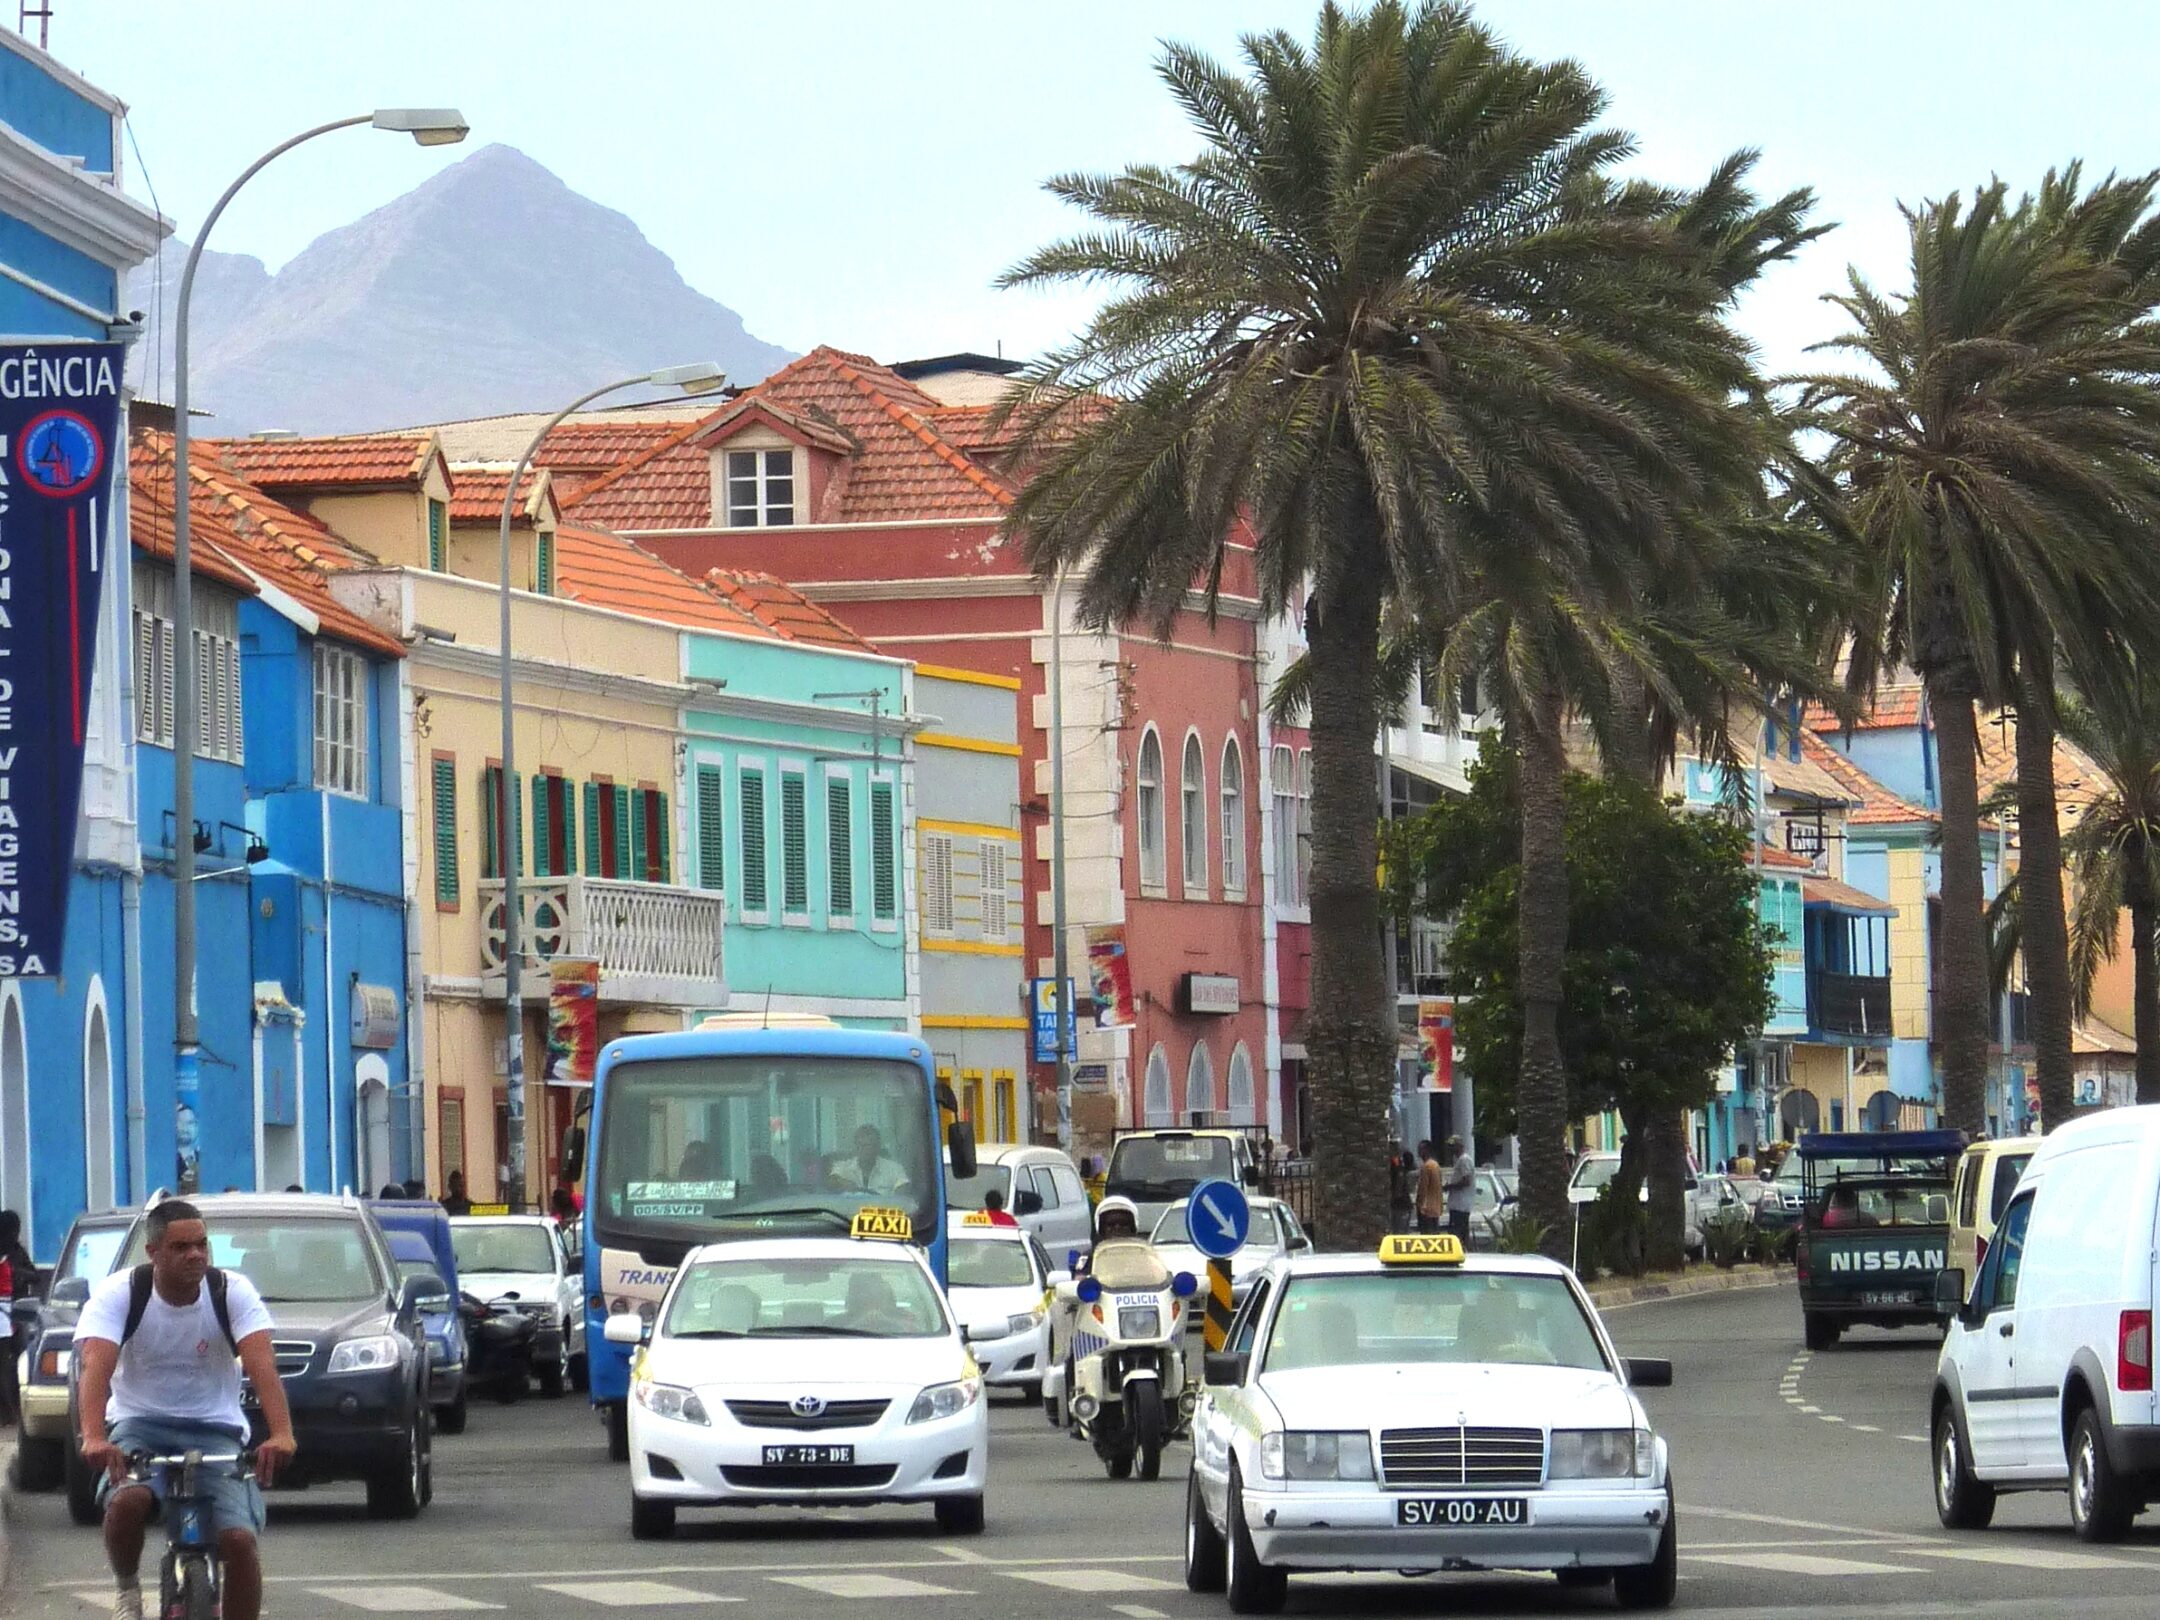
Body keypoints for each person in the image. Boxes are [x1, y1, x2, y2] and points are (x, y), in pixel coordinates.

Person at [74, 1199, 296, 1620]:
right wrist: (94, 1436)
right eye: (180, 1247)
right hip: (140, 1426)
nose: (195, 1255)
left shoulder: (231, 1292)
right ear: (153, 1252)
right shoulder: (122, 1293)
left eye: (201, 1245)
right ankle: (127, 1588)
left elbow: (261, 1365)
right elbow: (95, 1367)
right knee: (127, 1502)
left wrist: (281, 1432)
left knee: (239, 1542)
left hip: (215, 1431)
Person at [830, 1125, 909, 1195]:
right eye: (859, 1145)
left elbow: (903, 1194)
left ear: (877, 1147)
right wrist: (842, 1182)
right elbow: (830, 1181)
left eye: (867, 1145)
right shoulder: (843, 1166)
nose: (862, 1149)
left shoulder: (894, 1169)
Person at [1443, 1135, 1476, 1246]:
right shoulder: (1459, 1160)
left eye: (1453, 1146)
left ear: (1459, 1146)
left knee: (1457, 1233)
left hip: (1460, 1205)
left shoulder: (1464, 1160)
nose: (1450, 1149)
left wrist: (1450, 1187)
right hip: (1458, 1204)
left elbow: (1466, 1181)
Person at [1415, 1140, 1445, 1235]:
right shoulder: (1436, 1165)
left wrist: (1418, 1203)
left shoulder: (1427, 1166)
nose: (1418, 1151)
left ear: (1426, 1150)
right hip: (1435, 1208)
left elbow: (1423, 1188)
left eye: (1421, 1149)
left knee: (1426, 1236)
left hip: (1426, 1209)